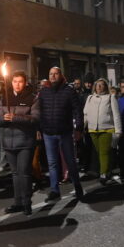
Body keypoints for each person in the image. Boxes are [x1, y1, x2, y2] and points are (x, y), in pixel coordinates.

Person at [0, 71, 40, 215]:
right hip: (8, 141)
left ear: (25, 82)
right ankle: (17, 202)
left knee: (24, 172)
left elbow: (35, 119)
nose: (17, 84)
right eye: (15, 81)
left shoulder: (33, 98)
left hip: (25, 141)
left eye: (20, 81)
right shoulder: (5, 98)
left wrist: (15, 118)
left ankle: (27, 202)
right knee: (15, 173)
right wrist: (4, 119)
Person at [38, 67, 83, 200]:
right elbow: (39, 112)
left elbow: (77, 110)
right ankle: (54, 190)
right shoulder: (44, 92)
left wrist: (79, 128)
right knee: (52, 163)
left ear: (61, 75)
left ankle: (77, 185)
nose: (53, 76)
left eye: (55, 74)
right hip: (48, 133)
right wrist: (39, 128)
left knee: (70, 161)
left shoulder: (69, 91)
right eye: (50, 74)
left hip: (65, 132)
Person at [83, 78, 122, 184]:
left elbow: (116, 115)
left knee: (104, 152)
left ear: (105, 87)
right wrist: (82, 128)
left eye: (102, 85)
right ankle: (109, 170)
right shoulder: (90, 98)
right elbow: (85, 114)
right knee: (100, 151)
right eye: (97, 85)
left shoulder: (110, 97)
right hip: (93, 130)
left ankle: (103, 174)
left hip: (107, 129)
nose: (99, 87)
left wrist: (118, 131)